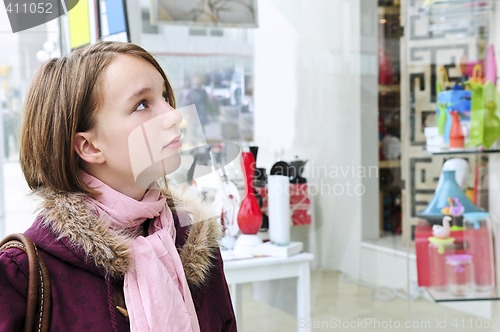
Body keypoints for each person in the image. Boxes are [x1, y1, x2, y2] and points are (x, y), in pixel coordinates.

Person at [0, 41, 237, 331]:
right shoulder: (21, 275)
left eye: (164, 96)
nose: (174, 115)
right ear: (88, 146)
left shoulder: (192, 240)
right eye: (141, 104)